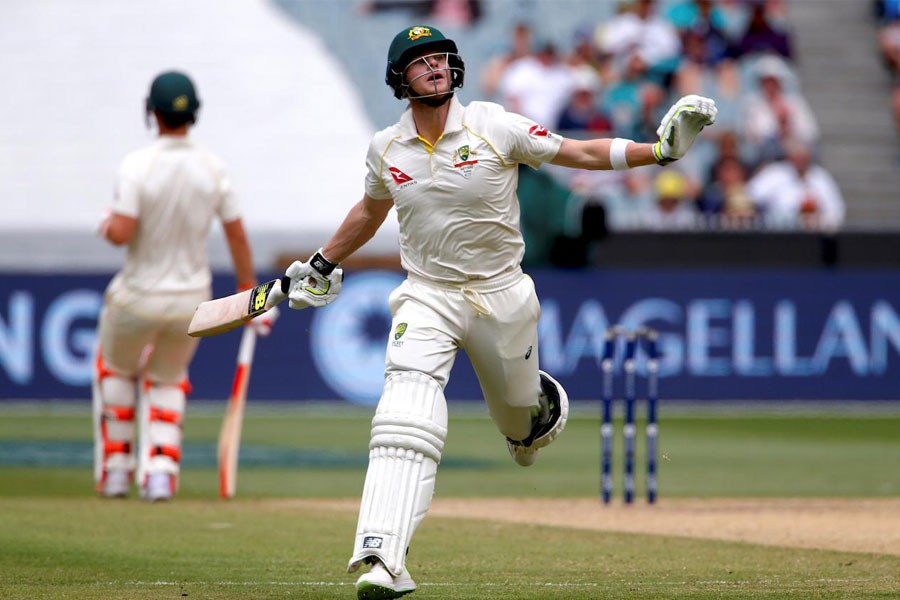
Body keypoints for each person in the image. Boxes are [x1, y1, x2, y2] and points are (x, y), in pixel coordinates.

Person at [280, 25, 715, 599]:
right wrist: (320, 262)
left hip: (501, 295)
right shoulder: (386, 148)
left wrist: (657, 152)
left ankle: (536, 413)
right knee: (403, 412)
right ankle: (383, 558)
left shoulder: (493, 125)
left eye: (441, 58)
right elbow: (369, 211)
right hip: (427, 294)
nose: (434, 68)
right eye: (421, 62)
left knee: (517, 423)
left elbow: (577, 152)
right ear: (398, 80)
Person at [93, 71, 277, 502]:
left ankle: (118, 468)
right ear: (193, 113)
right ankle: (161, 471)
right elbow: (237, 235)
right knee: (169, 377)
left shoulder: (138, 165)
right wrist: (252, 297)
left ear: (152, 112)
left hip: (137, 296)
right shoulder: (212, 167)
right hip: (190, 302)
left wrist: (105, 224)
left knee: (117, 369)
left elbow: (121, 232)